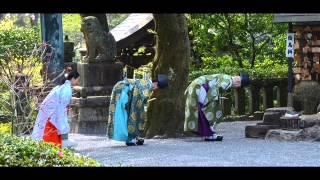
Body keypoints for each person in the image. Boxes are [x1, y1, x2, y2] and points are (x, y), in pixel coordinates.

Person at [184, 72, 250, 141]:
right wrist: (211, 103)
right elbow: (215, 89)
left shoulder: (226, 77)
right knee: (207, 111)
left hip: (195, 86)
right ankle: (209, 134)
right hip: (200, 87)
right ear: (238, 83)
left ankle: (208, 133)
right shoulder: (228, 81)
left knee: (199, 110)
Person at [107, 74, 168, 146]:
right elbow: (136, 106)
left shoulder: (147, 83)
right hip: (121, 91)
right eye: (157, 87)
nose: (156, 89)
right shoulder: (147, 86)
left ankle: (132, 138)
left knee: (130, 114)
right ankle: (130, 139)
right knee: (128, 114)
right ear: (156, 84)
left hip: (122, 90)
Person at [31, 71, 80, 148]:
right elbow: (62, 104)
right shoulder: (66, 88)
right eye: (77, 79)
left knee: (49, 131)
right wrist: (62, 116)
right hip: (55, 113)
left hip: (50, 112)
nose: (78, 82)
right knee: (53, 133)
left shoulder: (61, 86)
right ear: (73, 78)